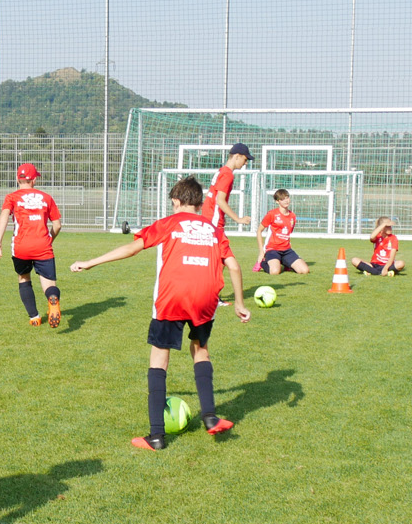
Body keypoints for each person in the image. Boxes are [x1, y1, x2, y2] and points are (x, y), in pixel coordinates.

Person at [71, 175, 250, 451]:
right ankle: (210, 417)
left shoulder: (168, 223)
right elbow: (234, 266)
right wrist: (239, 303)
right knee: (200, 350)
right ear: (199, 203)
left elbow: (132, 248)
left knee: (159, 359)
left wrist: (91, 262)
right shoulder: (214, 230)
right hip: (207, 296)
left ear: (176, 201)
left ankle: (156, 436)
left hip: (173, 296)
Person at [0, 162, 63, 327]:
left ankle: (34, 317)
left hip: (21, 246)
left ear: (18, 179)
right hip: (43, 245)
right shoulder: (46, 198)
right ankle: (52, 298)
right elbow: (57, 225)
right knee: (49, 283)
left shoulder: (12, 197)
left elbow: (4, 217)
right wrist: (49, 239)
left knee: (23, 278)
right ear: (34, 180)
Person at [255, 188, 309, 275]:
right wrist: (261, 252)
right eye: (282, 199)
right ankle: (263, 263)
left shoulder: (292, 216)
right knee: (275, 271)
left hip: (287, 250)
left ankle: (286, 263)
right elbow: (259, 231)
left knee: (304, 270)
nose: (286, 201)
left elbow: (288, 234)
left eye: (287, 198)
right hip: (272, 249)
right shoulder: (272, 214)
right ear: (277, 201)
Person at [202, 143, 252, 229]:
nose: (246, 163)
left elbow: (210, 194)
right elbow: (220, 200)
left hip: (209, 216)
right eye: (245, 159)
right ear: (237, 156)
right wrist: (238, 219)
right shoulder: (227, 175)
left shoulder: (221, 171)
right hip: (213, 219)